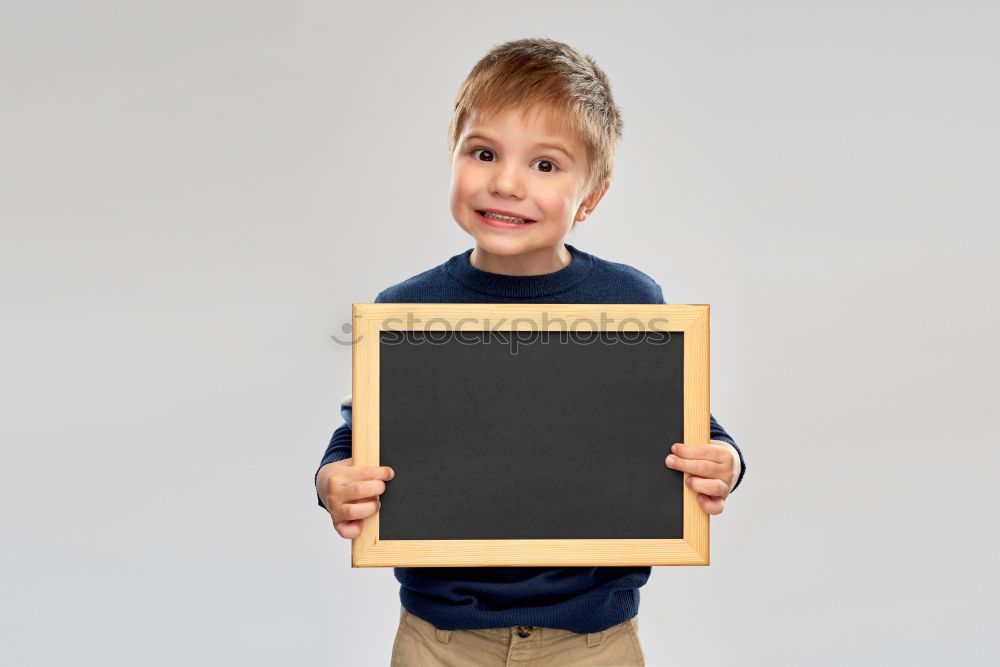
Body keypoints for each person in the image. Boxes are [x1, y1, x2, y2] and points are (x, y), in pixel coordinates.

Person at [314, 37, 748, 666]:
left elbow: (691, 427)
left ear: (592, 195)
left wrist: (726, 461)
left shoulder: (629, 300)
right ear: (453, 157)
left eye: (546, 165)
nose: (507, 183)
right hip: (441, 640)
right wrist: (331, 481)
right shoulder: (405, 311)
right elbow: (357, 438)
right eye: (484, 152)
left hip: (593, 641)